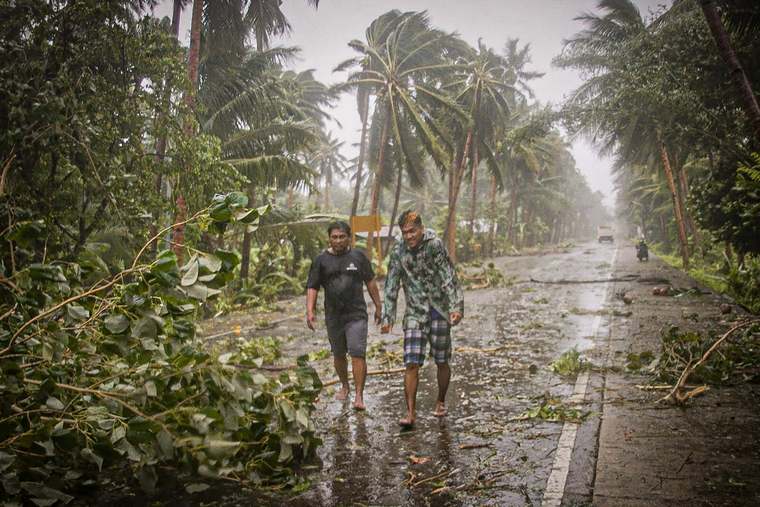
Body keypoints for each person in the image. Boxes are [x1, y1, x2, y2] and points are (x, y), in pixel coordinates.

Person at [381, 210, 464, 427]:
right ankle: (410, 413)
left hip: (439, 309)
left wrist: (456, 306)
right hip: (415, 312)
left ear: (421, 228)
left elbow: (448, 276)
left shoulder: (434, 244)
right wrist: (387, 315)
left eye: (413, 231)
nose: (409, 236)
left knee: (442, 360)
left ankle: (440, 400)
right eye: (405, 232)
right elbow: (392, 281)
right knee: (411, 362)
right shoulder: (398, 250)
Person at [306, 221, 382, 410]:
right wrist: (310, 311)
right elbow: (312, 287)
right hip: (333, 316)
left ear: (349, 238)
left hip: (356, 315)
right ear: (329, 238)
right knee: (339, 354)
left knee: (357, 353)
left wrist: (379, 306)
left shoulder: (358, 257)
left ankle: (359, 395)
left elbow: (371, 282)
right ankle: (345, 385)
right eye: (334, 237)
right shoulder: (320, 261)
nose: (338, 240)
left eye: (342, 236)